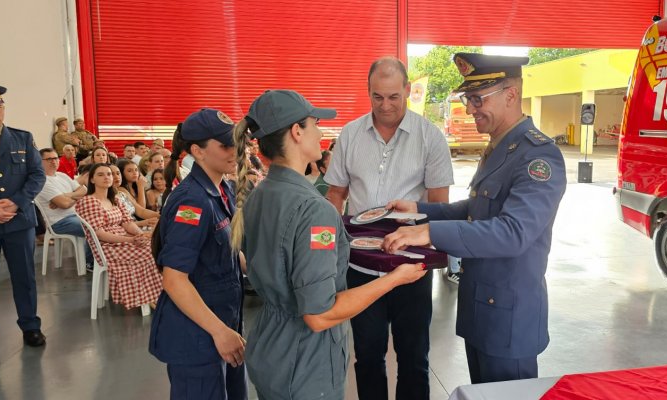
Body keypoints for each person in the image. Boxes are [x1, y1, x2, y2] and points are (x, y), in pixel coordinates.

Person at [382, 53, 567, 384]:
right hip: (482, 310)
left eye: (477, 99)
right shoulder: (501, 146)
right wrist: (420, 211)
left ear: (511, 94)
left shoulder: (537, 155)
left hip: (509, 320)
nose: (469, 109)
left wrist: (429, 232)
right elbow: (477, 209)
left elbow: (512, 233)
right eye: (468, 99)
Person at [231, 89, 426, 400]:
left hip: (270, 348)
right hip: (305, 364)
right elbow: (319, 315)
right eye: (315, 122)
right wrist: (395, 279)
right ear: (297, 132)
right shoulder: (314, 210)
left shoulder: (260, 194)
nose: (321, 130)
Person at [323, 57, 453, 400]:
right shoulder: (350, 134)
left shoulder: (430, 137)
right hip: (361, 269)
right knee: (367, 356)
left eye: (394, 96)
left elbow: (440, 206)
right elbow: (335, 195)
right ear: (368, 92)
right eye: (377, 97)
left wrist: (431, 257)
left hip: (412, 267)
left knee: (413, 357)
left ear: (408, 91)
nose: (386, 105)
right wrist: (332, 251)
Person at [149, 109, 248, 400]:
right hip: (198, 337)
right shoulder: (192, 201)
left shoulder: (222, 189)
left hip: (222, 325)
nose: (235, 151)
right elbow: (174, 279)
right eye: (225, 145)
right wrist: (220, 332)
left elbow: (226, 252)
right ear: (197, 151)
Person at [0, 84, 47, 358]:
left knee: (25, 277)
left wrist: (17, 202)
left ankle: (30, 326)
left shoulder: (23, 138)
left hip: (19, 222)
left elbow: (37, 176)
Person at [75, 163, 163, 310]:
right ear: (91, 180)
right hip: (107, 247)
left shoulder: (115, 199)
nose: (107, 177)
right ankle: (149, 297)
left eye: (109, 174)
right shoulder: (89, 201)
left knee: (156, 247)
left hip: (123, 240)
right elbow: (100, 233)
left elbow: (127, 222)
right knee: (149, 252)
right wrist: (130, 239)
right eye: (101, 175)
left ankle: (154, 294)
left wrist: (140, 235)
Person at [35, 148, 92, 271]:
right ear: (39, 161)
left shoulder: (62, 175)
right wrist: (74, 197)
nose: (53, 161)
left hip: (76, 215)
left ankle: (101, 259)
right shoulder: (42, 181)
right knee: (93, 227)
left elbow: (84, 190)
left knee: (100, 222)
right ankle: (90, 262)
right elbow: (64, 204)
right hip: (59, 222)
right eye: (49, 159)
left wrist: (65, 195)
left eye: (55, 158)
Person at [112, 166, 159, 230]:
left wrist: (161, 215)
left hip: (137, 225)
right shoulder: (108, 196)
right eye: (111, 174)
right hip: (127, 230)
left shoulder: (122, 191)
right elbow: (117, 224)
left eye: (118, 173)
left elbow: (141, 211)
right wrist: (143, 223)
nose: (116, 177)